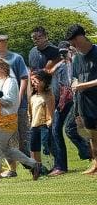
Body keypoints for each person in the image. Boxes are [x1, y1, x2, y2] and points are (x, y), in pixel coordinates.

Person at [0, 56, 41, 183]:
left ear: (3, 67)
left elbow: (10, 101)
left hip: (7, 121)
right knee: (6, 150)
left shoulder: (11, 82)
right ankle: (34, 164)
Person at [0, 34, 29, 163]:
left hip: (16, 102)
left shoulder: (16, 58)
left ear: (6, 43)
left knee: (22, 135)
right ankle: (13, 167)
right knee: (5, 139)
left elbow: (23, 78)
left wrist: (20, 96)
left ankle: (32, 163)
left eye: (2, 42)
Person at [51, 41, 89, 174]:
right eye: (60, 52)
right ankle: (60, 166)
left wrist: (73, 55)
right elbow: (60, 85)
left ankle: (89, 152)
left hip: (76, 100)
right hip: (62, 101)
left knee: (70, 129)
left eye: (65, 51)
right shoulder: (61, 66)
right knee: (55, 129)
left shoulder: (77, 60)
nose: (63, 54)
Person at [66, 24, 97, 174]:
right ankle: (95, 163)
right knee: (91, 135)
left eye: (73, 42)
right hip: (85, 102)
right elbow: (76, 78)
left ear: (81, 37)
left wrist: (83, 85)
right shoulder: (77, 58)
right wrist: (75, 84)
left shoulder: (96, 52)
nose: (73, 46)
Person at [27, 26, 61, 157]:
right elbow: (31, 70)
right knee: (36, 124)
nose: (36, 40)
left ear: (46, 36)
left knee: (50, 124)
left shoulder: (54, 51)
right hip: (36, 91)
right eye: (34, 38)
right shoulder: (32, 52)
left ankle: (56, 157)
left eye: (39, 37)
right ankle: (40, 162)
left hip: (50, 90)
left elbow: (52, 70)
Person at [28, 69, 55, 167]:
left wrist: (50, 123)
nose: (33, 83)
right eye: (32, 81)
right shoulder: (33, 96)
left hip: (44, 125)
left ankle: (51, 165)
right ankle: (38, 167)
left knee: (46, 146)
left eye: (36, 81)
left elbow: (51, 111)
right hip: (34, 125)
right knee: (34, 148)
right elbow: (30, 111)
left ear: (44, 82)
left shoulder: (48, 95)